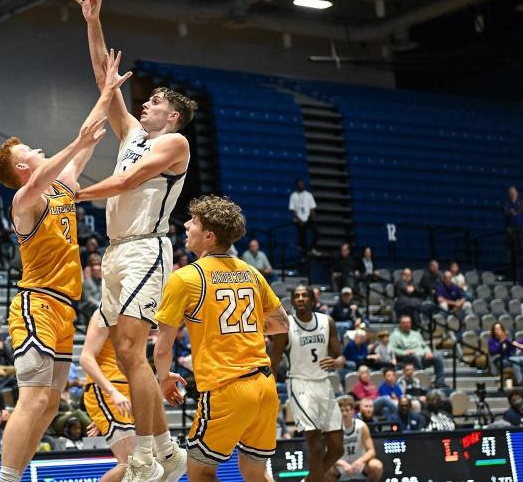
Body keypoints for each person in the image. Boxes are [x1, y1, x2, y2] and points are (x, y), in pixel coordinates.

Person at [77, 0, 194, 482]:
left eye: (155, 102)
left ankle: (146, 455)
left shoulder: (174, 143)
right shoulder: (131, 134)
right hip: (116, 252)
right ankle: (167, 451)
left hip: (147, 246)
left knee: (129, 350)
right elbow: (106, 77)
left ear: (172, 117)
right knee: (127, 355)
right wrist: (93, 20)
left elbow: (127, 183)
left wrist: (74, 193)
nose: (145, 103)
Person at [0, 53, 120, 482]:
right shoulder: (24, 201)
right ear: (24, 168)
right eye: (31, 150)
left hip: (65, 308)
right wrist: (79, 142)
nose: (39, 148)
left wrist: (107, 91)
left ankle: (17, 475)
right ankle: (6, 479)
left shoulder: (62, 186)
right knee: (32, 400)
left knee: (49, 403)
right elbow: (71, 152)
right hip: (37, 306)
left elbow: (91, 137)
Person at [154, 196, 289, 482]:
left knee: (200, 471)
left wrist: (164, 377)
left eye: (194, 222)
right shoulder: (251, 273)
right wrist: (243, 328)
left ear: (209, 236)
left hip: (226, 389)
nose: (187, 225)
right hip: (265, 387)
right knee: (255, 472)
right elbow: (281, 324)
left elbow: (163, 345)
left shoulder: (186, 277)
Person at [270, 284, 344, 482]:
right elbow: (273, 363)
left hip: (324, 384)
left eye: (304, 295)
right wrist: (271, 390)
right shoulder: (286, 327)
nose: (301, 298)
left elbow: (339, 357)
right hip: (300, 385)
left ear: (313, 300)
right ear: (293, 301)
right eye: (297, 295)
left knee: (337, 448)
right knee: (316, 446)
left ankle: (309, 480)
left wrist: (336, 362)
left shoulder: (327, 322)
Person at [79, 313, 135, 482]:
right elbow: (85, 358)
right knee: (130, 462)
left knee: (152, 460)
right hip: (108, 389)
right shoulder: (104, 312)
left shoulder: (134, 314)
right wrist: (111, 392)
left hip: (126, 394)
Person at [328, 396, 382, 482]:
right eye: (341, 411)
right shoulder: (333, 429)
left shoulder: (361, 426)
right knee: (325, 469)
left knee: (377, 466)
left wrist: (360, 461)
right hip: (341, 467)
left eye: (347, 410)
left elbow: (371, 451)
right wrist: (343, 464)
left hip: (359, 466)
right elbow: (328, 455)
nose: (344, 413)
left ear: (353, 411)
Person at [389, 315, 446, 388]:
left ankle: (439, 382)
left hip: (422, 357)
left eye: (408, 323)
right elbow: (392, 349)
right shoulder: (395, 335)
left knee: (437, 356)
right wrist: (405, 352)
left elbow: (424, 345)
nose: (406, 325)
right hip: (407, 359)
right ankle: (422, 379)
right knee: (414, 357)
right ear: (400, 324)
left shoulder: (416, 333)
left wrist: (428, 351)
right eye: (404, 323)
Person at [288, 179, 319, 255]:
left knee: (316, 232)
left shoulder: (309, 195)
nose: (301, 185)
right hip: (299, 221)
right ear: (296, 186)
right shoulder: (293, 196)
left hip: (308, 219)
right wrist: (299, 220)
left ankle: (312, 248)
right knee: (303, 236)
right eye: (299, 184)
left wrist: (312, 217)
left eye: (302, 184)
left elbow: (312, 208)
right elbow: (292, 210)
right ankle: (304, 251)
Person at [503, 185, 523, 280]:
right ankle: (510, 263)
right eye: (510, 192)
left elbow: (522, 209)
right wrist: (512, 212)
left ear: (517, 193)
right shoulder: (506, 202)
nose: (512, 194)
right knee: (509, 246)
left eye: (514, 192)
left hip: (521, 226)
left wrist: (514, 211)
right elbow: (506, 211)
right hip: (510, 227)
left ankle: (522, 263)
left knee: (522, 245)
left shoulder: (521, 202)